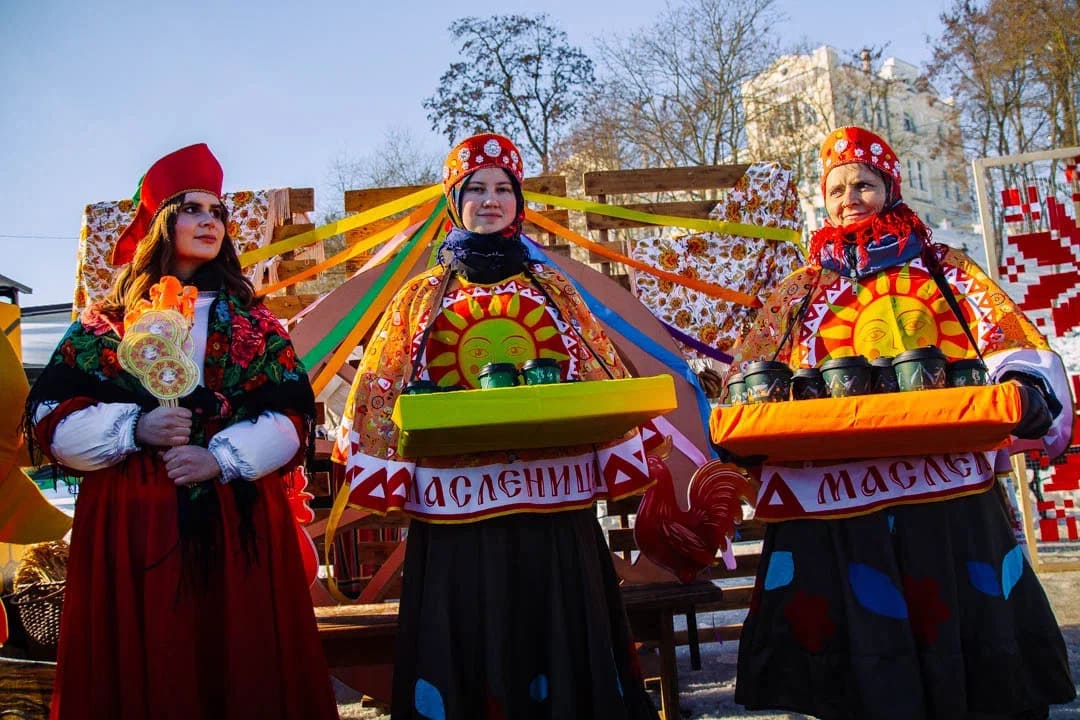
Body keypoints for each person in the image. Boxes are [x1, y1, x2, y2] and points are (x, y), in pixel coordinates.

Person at [728, 126, 1075, 719]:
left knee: (960, 624)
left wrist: (1025, 384)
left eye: (862, 183)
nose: (849, 197)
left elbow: (1005, 337)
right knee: (851, 638)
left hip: (944, 491)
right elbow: (756, 368)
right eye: (836, 188)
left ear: (888, 186)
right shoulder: (802, 287)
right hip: (837, 496)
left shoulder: (942, 268)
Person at [333, 132, 663, 719]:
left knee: (555, 618)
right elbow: (381, 385)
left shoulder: (555, 289)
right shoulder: (421, 296)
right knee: (470, 622)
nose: (490, 200)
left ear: (519, 202)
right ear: (454, 200)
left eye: (503, 189)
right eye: (476, 189)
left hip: (552, 499)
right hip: (457, 504)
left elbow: (596, 368)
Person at [26, 143, 340, 720]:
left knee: (238, 660)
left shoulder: (254, 322)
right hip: (133, 525)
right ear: (162, 224)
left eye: (217, 212)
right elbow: (50, 417)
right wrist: (135, 427)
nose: (209, 222)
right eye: (192, 209)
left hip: (235, 520)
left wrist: (219, 458)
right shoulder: (105, 322)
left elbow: (293, 415)